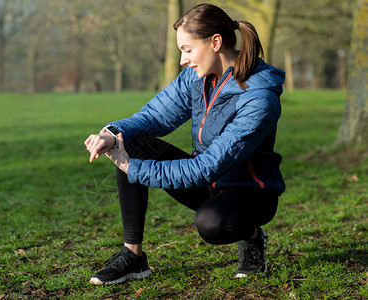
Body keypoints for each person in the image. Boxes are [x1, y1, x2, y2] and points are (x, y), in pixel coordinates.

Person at [84, 3, 285, 285]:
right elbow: (154, 115)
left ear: (215, 42)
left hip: (251, 194)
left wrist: (133, 168)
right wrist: (111, 133)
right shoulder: (196, 77)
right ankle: (133, 256)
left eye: (187, 50)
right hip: (208, 184)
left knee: (211, 223)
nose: (182, 60)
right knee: (126, 140)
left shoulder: (259, 95)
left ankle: (251, 237)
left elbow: (208, 166)